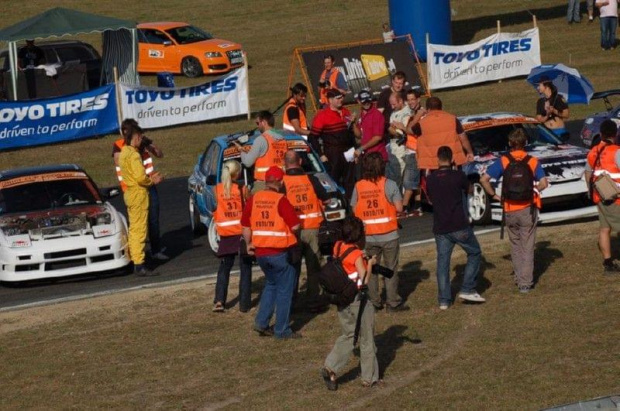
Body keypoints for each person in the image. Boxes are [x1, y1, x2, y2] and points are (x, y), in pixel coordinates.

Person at [480, 129, 549, 293]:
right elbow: (544, 183)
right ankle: (526, 282)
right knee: (528, 245)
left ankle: (519, 278)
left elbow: (484, 179)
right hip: (527, 209)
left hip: (509, 209)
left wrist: (495, 196)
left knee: (516, 245)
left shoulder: (503, 161)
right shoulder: (532, 161)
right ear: (525, 143)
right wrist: (535, 191)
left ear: (510, 143)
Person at [241, 166, 301, 339]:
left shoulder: (254, 199)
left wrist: (248, 244)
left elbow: (245, 226)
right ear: (281, 182)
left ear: (266, 182)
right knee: (284, 289)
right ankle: (282, 330)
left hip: (260, 253)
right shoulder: (281, 200)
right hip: (279, 253)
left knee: (271, 284)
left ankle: (261, 322)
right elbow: (295, 226)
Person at [321, 216, 380, 391]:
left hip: (342, 299)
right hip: (358, 300)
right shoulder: (356, 254)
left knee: (348, 335)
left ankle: (330, 366)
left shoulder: (338, 246)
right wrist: (369, 264)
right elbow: (364, 279)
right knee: (367, 338)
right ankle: (369, 378)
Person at [426, 146, 486, 310]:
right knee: (474, 252)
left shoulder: (431, 179)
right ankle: (467, 288)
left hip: (440, 227)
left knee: (443, 263)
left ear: (437, 159)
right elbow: (471, 189)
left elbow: (430, 199)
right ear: (452, 160)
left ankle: (444, 300)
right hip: (459, 225)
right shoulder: (458, 176)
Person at [352, 152, 407, 312]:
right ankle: (392, 302)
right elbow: (399, 208)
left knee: (371, 269)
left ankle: (374, 302)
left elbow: (354, 209)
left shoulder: (359, 186)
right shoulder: (389, 184)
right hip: (389, 234)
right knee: (390, 269)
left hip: (368, 237)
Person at [113, 120, 168, 262]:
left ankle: (154, 250)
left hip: (148, 186)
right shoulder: (121, 147)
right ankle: (136, 257)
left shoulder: (142, 144)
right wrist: (133, 149)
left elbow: (160, 154)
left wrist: (148, 145)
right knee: (137, 225)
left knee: (153, 219)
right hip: (133, 188)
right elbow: (118, 162)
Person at [283, 150, 329, 310]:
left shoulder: (282, 182)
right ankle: (313, 301)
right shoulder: (311, 179)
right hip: (312, 229)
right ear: (300, 162)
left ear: (285, 164)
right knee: (313, 267)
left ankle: (290, 302)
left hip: (292, 231)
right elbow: (327, 198)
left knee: (292, 269)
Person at [212, 160, 253, 313]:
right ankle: (244, 304)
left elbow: (213, 209)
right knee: (245, 267)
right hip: (242, 233)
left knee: (224, 268)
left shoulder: (216, 190)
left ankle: (219, 301)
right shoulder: (242, 189)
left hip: (225, 234)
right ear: (237, 173)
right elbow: (250, 207)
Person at [585, 119, 620, 273]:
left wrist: (591, 190)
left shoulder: (593, 151)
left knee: (604, 229)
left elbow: (587, 173)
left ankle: (608, 262)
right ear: (616, 134)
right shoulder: (617, 151)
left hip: (600, 196)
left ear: (600, 134)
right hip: (616, 198)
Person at [308, 89, 356, 198]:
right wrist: (321, 154)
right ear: (330, 100)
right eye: (338, 98)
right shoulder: (322, 116)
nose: (341, 100)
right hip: (333, 154)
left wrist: (355, 151)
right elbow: (312, 137)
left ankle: (351, 207)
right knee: (333, 181)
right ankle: (336, 204)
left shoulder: (346, 112)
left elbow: (351, 134)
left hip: (348, 152)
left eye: (341, 97)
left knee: (350, 181)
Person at [413, 96, 474, 171]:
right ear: (441, 107)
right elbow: (463, 138)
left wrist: (418, 116)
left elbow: (409, 129)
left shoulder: (422, 123)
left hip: (433, 164)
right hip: (452, 161)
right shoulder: (452, 119)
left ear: (428, 109)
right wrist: (470, 152)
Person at [234, 110, 287, 193]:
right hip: (281, 183)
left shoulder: (261, 139)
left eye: (258, 123)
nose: (257, 126)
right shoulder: (282, 139)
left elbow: (247, 162)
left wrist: (241, 150)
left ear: (264, 122)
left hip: (264, 184)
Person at [352, 89, 387, 162]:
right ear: (358, 101)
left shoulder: (377, 114)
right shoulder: (360, 114)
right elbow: (359, 135)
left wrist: (361, 148)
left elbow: (378, 137)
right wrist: (353, 124)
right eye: (364, 102)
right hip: (366, 155)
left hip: (377, 155)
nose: (367, 103)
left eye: (368, 101)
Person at [386, 91, 411, 187]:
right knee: (392, 175)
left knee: (399, 176)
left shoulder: (407, 112)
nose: (392, 107)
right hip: (392, 148)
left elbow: (400, 134)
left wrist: (388, 128)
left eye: (394, 104)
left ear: (400, 101)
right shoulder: (394, 112)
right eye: (391, 104)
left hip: (401, 148)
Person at [377, 71, 407, 140]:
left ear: (404, 84)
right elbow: (379, 113)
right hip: (389, 129)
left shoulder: (405, 93)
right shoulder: (384, 94)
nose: (398, 85)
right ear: (392, 81)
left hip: (403, 126)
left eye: (400, 83)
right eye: (396, 82)